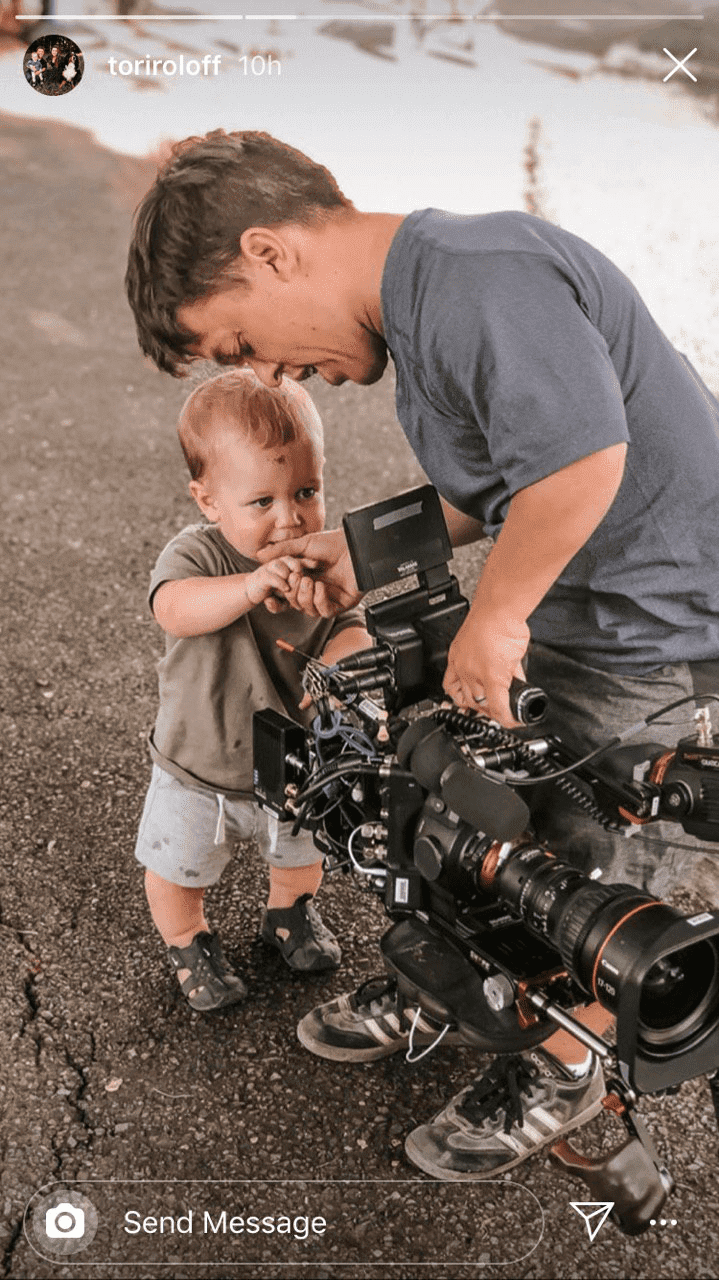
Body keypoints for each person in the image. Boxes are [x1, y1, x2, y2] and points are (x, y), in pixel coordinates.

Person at [125, 130, 719, 1174]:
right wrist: (353, 557)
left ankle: (562, 1065)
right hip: (580, 603)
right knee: (456, 808)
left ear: (269, 254)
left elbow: (580, 463)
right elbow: (496, 479)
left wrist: (491, 622)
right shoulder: (425, 309)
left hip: (646, 625)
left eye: (240, 342)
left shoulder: (478, 278)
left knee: (575, 853)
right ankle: (452, 981)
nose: (267, 371)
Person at [134, 367, 369, 1010]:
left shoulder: (319, 558)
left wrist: (340, 672)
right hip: (199, 761)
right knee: (177, 866)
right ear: (208, 501)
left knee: (300, 849)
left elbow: (351, 624)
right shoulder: (200, 556)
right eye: (262, 502)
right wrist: (248, 587)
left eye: (306, 490)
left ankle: (289, 913)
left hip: (293, 762)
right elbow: (173, 608)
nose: (290, 519)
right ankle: (188, 940)